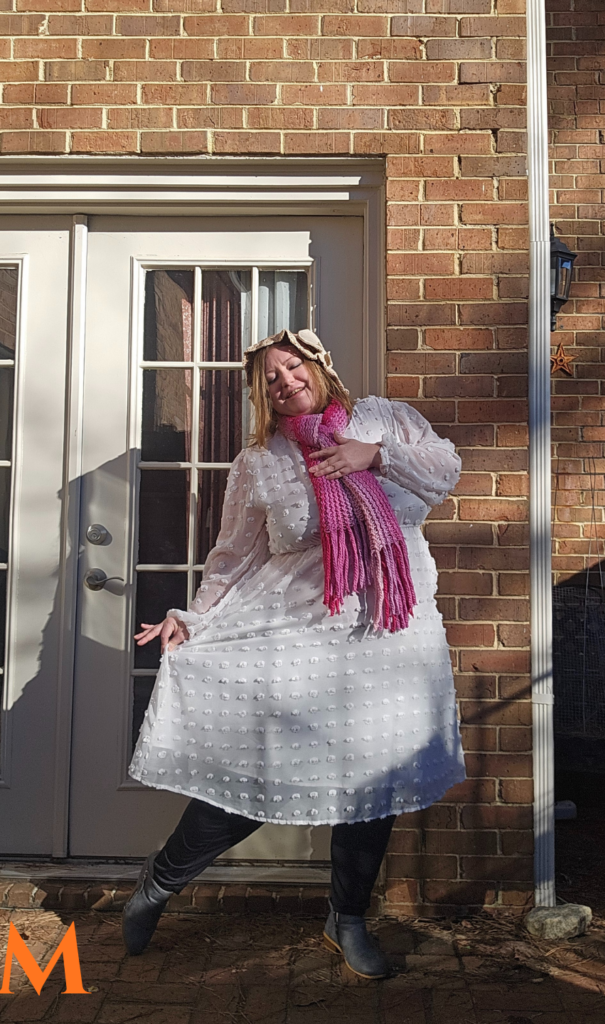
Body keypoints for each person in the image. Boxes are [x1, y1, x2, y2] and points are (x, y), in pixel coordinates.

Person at [122, 328, 465, 979]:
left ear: (319, 365)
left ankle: (347, 918)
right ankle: (161, 880)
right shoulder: (260, 462)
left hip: (391, 636)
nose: (284, 381)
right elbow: (234, 558)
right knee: (257, 772)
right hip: (300, 637)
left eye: (292, 366)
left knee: (375, 782)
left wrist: (374, 456)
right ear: (262, 395)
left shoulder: (382, 420)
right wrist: (194, 617)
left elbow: (445, 471)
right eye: (270, 378)